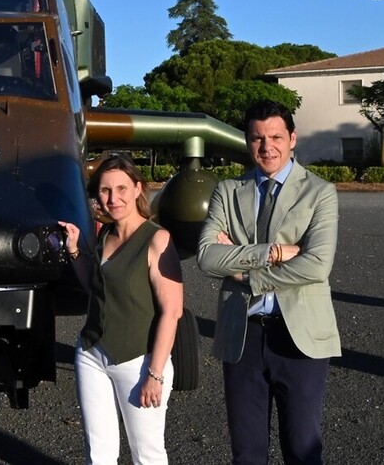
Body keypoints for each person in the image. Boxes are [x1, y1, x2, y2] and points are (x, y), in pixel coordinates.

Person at [197, 99, 341, 465]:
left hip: (301, 337)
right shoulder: (227, 191)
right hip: (242, 334)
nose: (267, 146)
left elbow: (316, 266)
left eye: (276, 136)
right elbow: (206, 256)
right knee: (246, 453)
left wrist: (242, 268)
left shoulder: (319, 192)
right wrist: (274, 253)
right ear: (247, 141)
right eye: (258, 138)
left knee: (302, 449)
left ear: (293, 138)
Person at [60, 154, 183, 465]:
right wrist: (75, 250)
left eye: (121, 188)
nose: (113, 198)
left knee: (147, 455)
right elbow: (96, 288)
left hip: (138, 362)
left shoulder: (157, 239)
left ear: (138, 188)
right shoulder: (105, 234)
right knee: (98, 455)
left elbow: (172, 311)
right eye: (104, 190)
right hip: (92, 353)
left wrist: (155, 374)